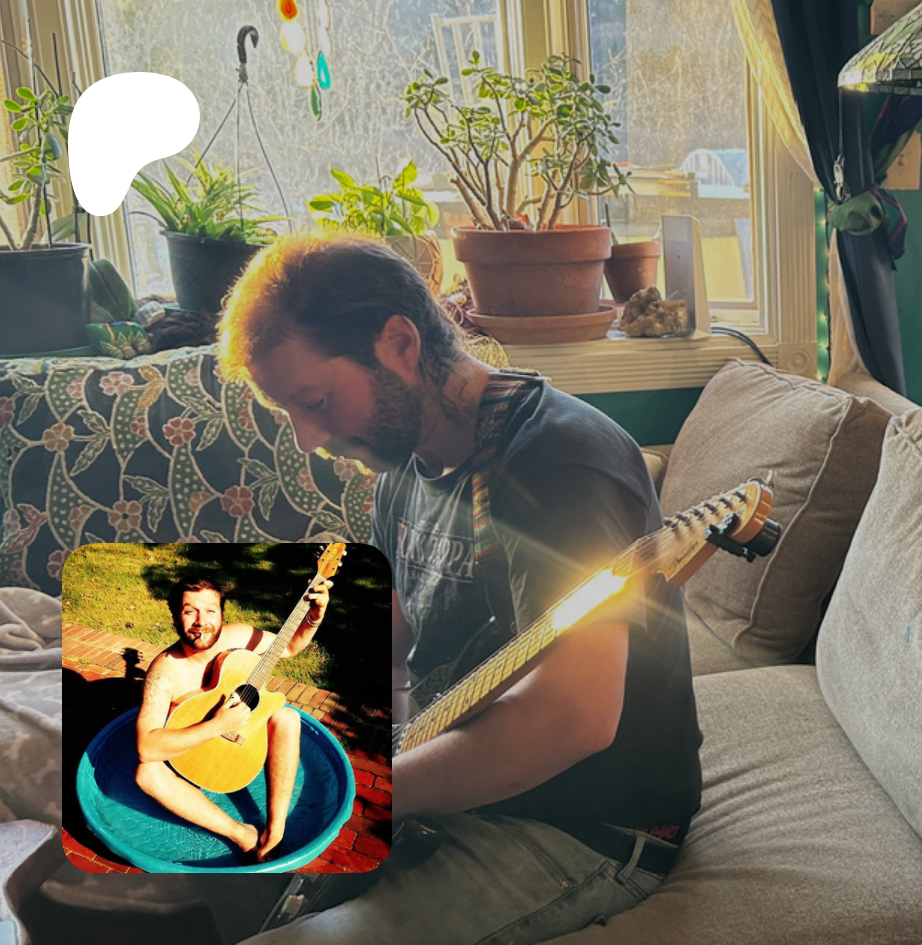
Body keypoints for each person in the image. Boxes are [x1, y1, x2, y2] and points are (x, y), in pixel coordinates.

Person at [214, 233, 701, 944]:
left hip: (583, 825)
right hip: (457, 786)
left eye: (316, 400)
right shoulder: (404, 466)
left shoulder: (561, 462)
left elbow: (574, 716)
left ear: (399, 344)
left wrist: (368, 791)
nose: (308, 438)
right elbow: (388, 639)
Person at [135, 575, 331, 862]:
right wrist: (217, 725)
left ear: (222, 615)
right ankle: (242, 834)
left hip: (238, 746)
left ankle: (276, 829)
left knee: (287, 717)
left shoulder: (237, 637)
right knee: (147, 774)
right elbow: (146, 748)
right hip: (189, 754)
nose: (201, 621)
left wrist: (314, 616)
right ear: (175, 617)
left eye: (210, 610)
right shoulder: (164, 672)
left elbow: (288, 647)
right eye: (190, 611)